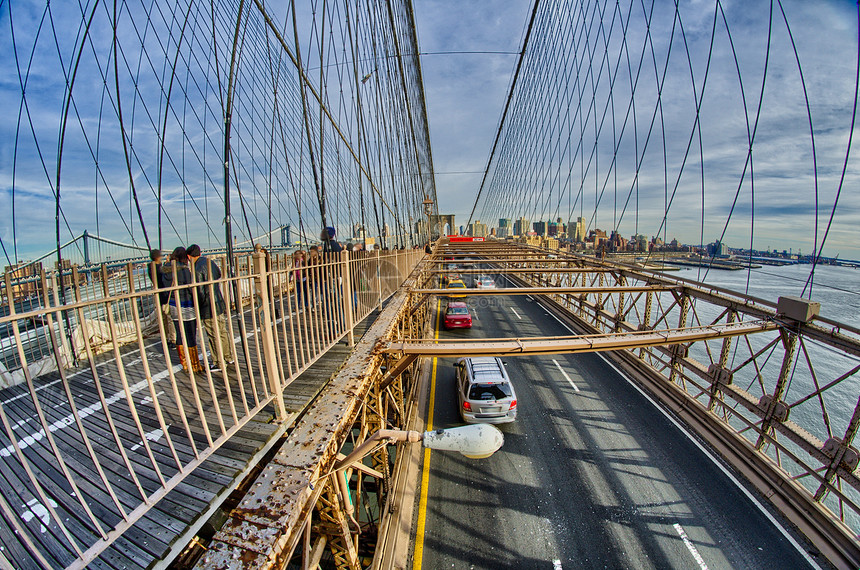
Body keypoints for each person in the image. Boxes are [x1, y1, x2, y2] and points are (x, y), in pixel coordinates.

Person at [187, 244, 235, 370]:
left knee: (213, 334)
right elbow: (218, 274)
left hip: (208, 307)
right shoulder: (210, 262)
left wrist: (199, 306)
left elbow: (200, 292)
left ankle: (218, 362)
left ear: (189, 257)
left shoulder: (196, 268)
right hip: (218, 302)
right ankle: (228, 357)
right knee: (222, 331)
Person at [164, 247, 204, 373]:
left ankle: (185, 363)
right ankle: (195, 364)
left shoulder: (166, 271)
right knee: (190, 334)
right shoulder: (184, 270)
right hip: (186, 305)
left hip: (173, 306)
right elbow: (191, 289)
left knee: (179, 334)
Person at [148, 249, 176, 346]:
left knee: (163, 319)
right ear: (158, 257)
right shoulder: (160, 268)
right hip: (166, 294)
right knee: (169, 317)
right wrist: (168, 264)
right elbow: (166, 277)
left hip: (158, 295)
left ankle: (166, 338)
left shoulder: (150, 268)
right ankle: (173, 339)